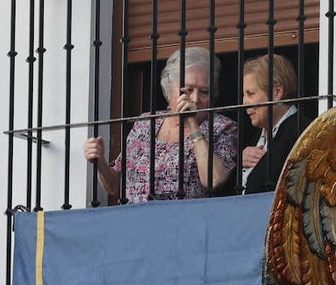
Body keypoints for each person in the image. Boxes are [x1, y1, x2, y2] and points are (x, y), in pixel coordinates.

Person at [83, 47, 238, 203]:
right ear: (169, 90)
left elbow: (214, 180)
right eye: (188, 90)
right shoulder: (146, 124)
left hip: (185, 222)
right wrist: (100, 161)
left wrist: (192, 123)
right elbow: (115, 185)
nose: (195, 99)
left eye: (204, 92)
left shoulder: (222, 127)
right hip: (135, 222)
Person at [240, 53, 303, 194]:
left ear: (277, 92)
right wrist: (241, 162)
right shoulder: (258, 136)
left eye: (250, 93)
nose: (244, 102)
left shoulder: (300, 131)